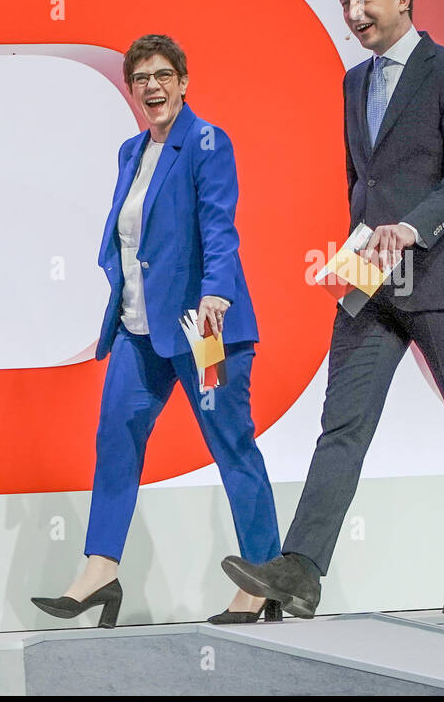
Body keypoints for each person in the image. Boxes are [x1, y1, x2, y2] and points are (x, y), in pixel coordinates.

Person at [222, 0, 444, 618]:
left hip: (439, 273)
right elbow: (363, 188)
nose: (354, 13)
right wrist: (353, 258)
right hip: (372, 283)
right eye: (344, 3)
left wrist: (412, 229)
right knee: (343, 426)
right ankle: (301, 570)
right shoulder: (351, 82)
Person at [32, 34, 281, 627]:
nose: (152, 86)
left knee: (231, 443)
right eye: (140, 77)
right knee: (115, 439)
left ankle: (264, 575)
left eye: (163, 74)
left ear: (184, 81)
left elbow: (221, 226)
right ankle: (100, 568)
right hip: (138, 332)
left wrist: (217, 292)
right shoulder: (129, 151)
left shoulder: (205, 141)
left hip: (203, 328)